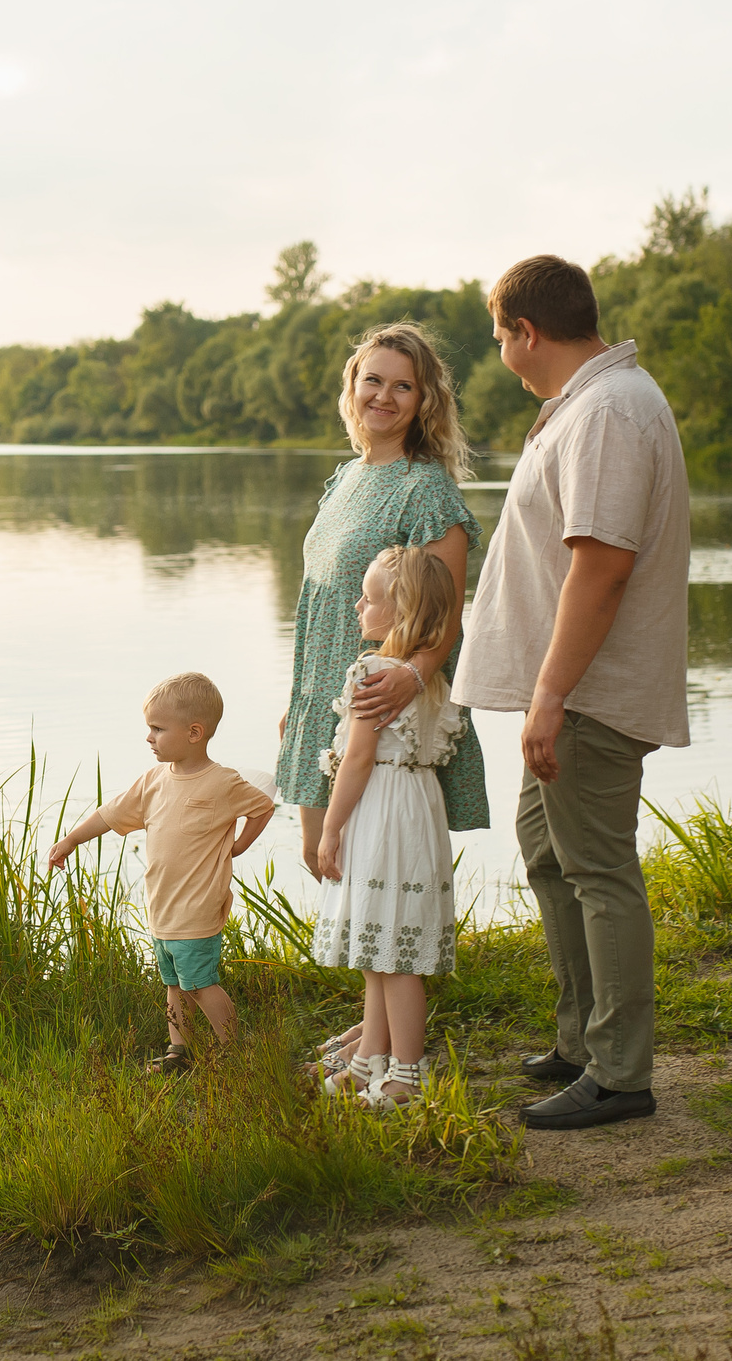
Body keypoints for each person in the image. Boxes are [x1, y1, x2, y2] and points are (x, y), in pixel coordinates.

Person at [451, 255, 690, 1132]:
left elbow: (603, 564)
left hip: (587, 690)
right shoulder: (588, 405)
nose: (500, 348)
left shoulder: (611, 412)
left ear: (526, 332)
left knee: (597, 867)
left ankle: (621, 1073)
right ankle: (582, 1041)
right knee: (547, 852)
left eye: (498, 333)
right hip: (565, 689)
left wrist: (551, 696)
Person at [273, 322, 491, 1083]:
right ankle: (372, 1034)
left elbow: (445, 610)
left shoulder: (424, 487)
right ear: (352, 385)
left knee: (367, 866)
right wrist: (299, 701)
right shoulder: (344, 479)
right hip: (327, 695)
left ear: (424, 399)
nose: (385, 396)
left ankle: (392, 1050)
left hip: (380, 700)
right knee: (334, 864)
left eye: (403, 385)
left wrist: (414, 670)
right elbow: (322, 599)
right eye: (373, 380)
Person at [49, 672, 276, 1072]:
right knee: (174, 984)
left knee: (201, 983)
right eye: (148, 728)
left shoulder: (222, 782)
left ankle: (232, 1051)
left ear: (193, 732)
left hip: (197, 908)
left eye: (157, 728)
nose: (149, 737)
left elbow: (261, 807)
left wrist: (238, 845)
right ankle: (179, 1050)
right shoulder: (153, 781)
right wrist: (71, 840)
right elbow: (109, 814)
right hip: (163, 906)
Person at [308, 545, 467, 1109]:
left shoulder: (373, 672)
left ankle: (406, 1073)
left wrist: (330, 829)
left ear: (399, 614)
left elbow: (356, 760)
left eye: (369, 598)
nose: (356, 605)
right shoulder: (428, 677)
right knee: (382, 941)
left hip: (379, 809)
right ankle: (366, 1058)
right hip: (417, 808)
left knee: (395, 955)